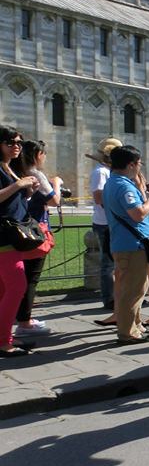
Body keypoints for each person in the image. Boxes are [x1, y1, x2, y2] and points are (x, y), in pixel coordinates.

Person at [102, 144, 149, 344]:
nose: (140, 167)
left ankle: (134, 326)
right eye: (139, 164)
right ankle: (126, 333)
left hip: (126, 244)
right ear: (132, 164)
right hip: (131, 245)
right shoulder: (123, 186)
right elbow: (138, 213)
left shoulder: (114, 182)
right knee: (132, 292)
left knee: (135, 288)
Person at [10, 139, 61, 339]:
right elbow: (55, 200)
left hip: (17, 229)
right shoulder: (34, 173)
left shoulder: (14, 171)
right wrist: (56, 183)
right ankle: (25, 321)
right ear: (38, 154)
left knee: (19, 276)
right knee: (31, 278)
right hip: (34, 231)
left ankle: (17, 316)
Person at [0, 126, 38, 356]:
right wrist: (19, 185)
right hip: (3, 236)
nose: (16, 146)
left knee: (6, 289)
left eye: (19, 142)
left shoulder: (10, 167)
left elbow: (14, 199)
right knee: (17, 286)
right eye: (10, 142)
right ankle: (4, 342)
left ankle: (6, 337)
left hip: (13, 234)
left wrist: (29, 190)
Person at [87, 137, 122, 311]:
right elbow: (99, 198)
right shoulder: (101, 172)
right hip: (105, 223)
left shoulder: (110, 172)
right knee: (108, 263)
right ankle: (109, 299)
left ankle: (120, 296)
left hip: (112, 222)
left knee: (118, 262)